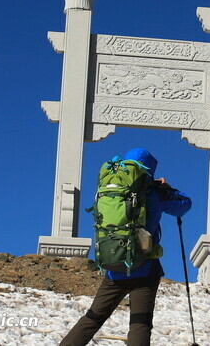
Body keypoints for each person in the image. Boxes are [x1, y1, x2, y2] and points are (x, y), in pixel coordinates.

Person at [61, 148, 192, 346]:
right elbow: (184, 205)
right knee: (140, 324)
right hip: (145, 268)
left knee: (93, 318)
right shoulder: (155, 192)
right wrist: (169, 188)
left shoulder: (111, 188)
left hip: (114, 266)